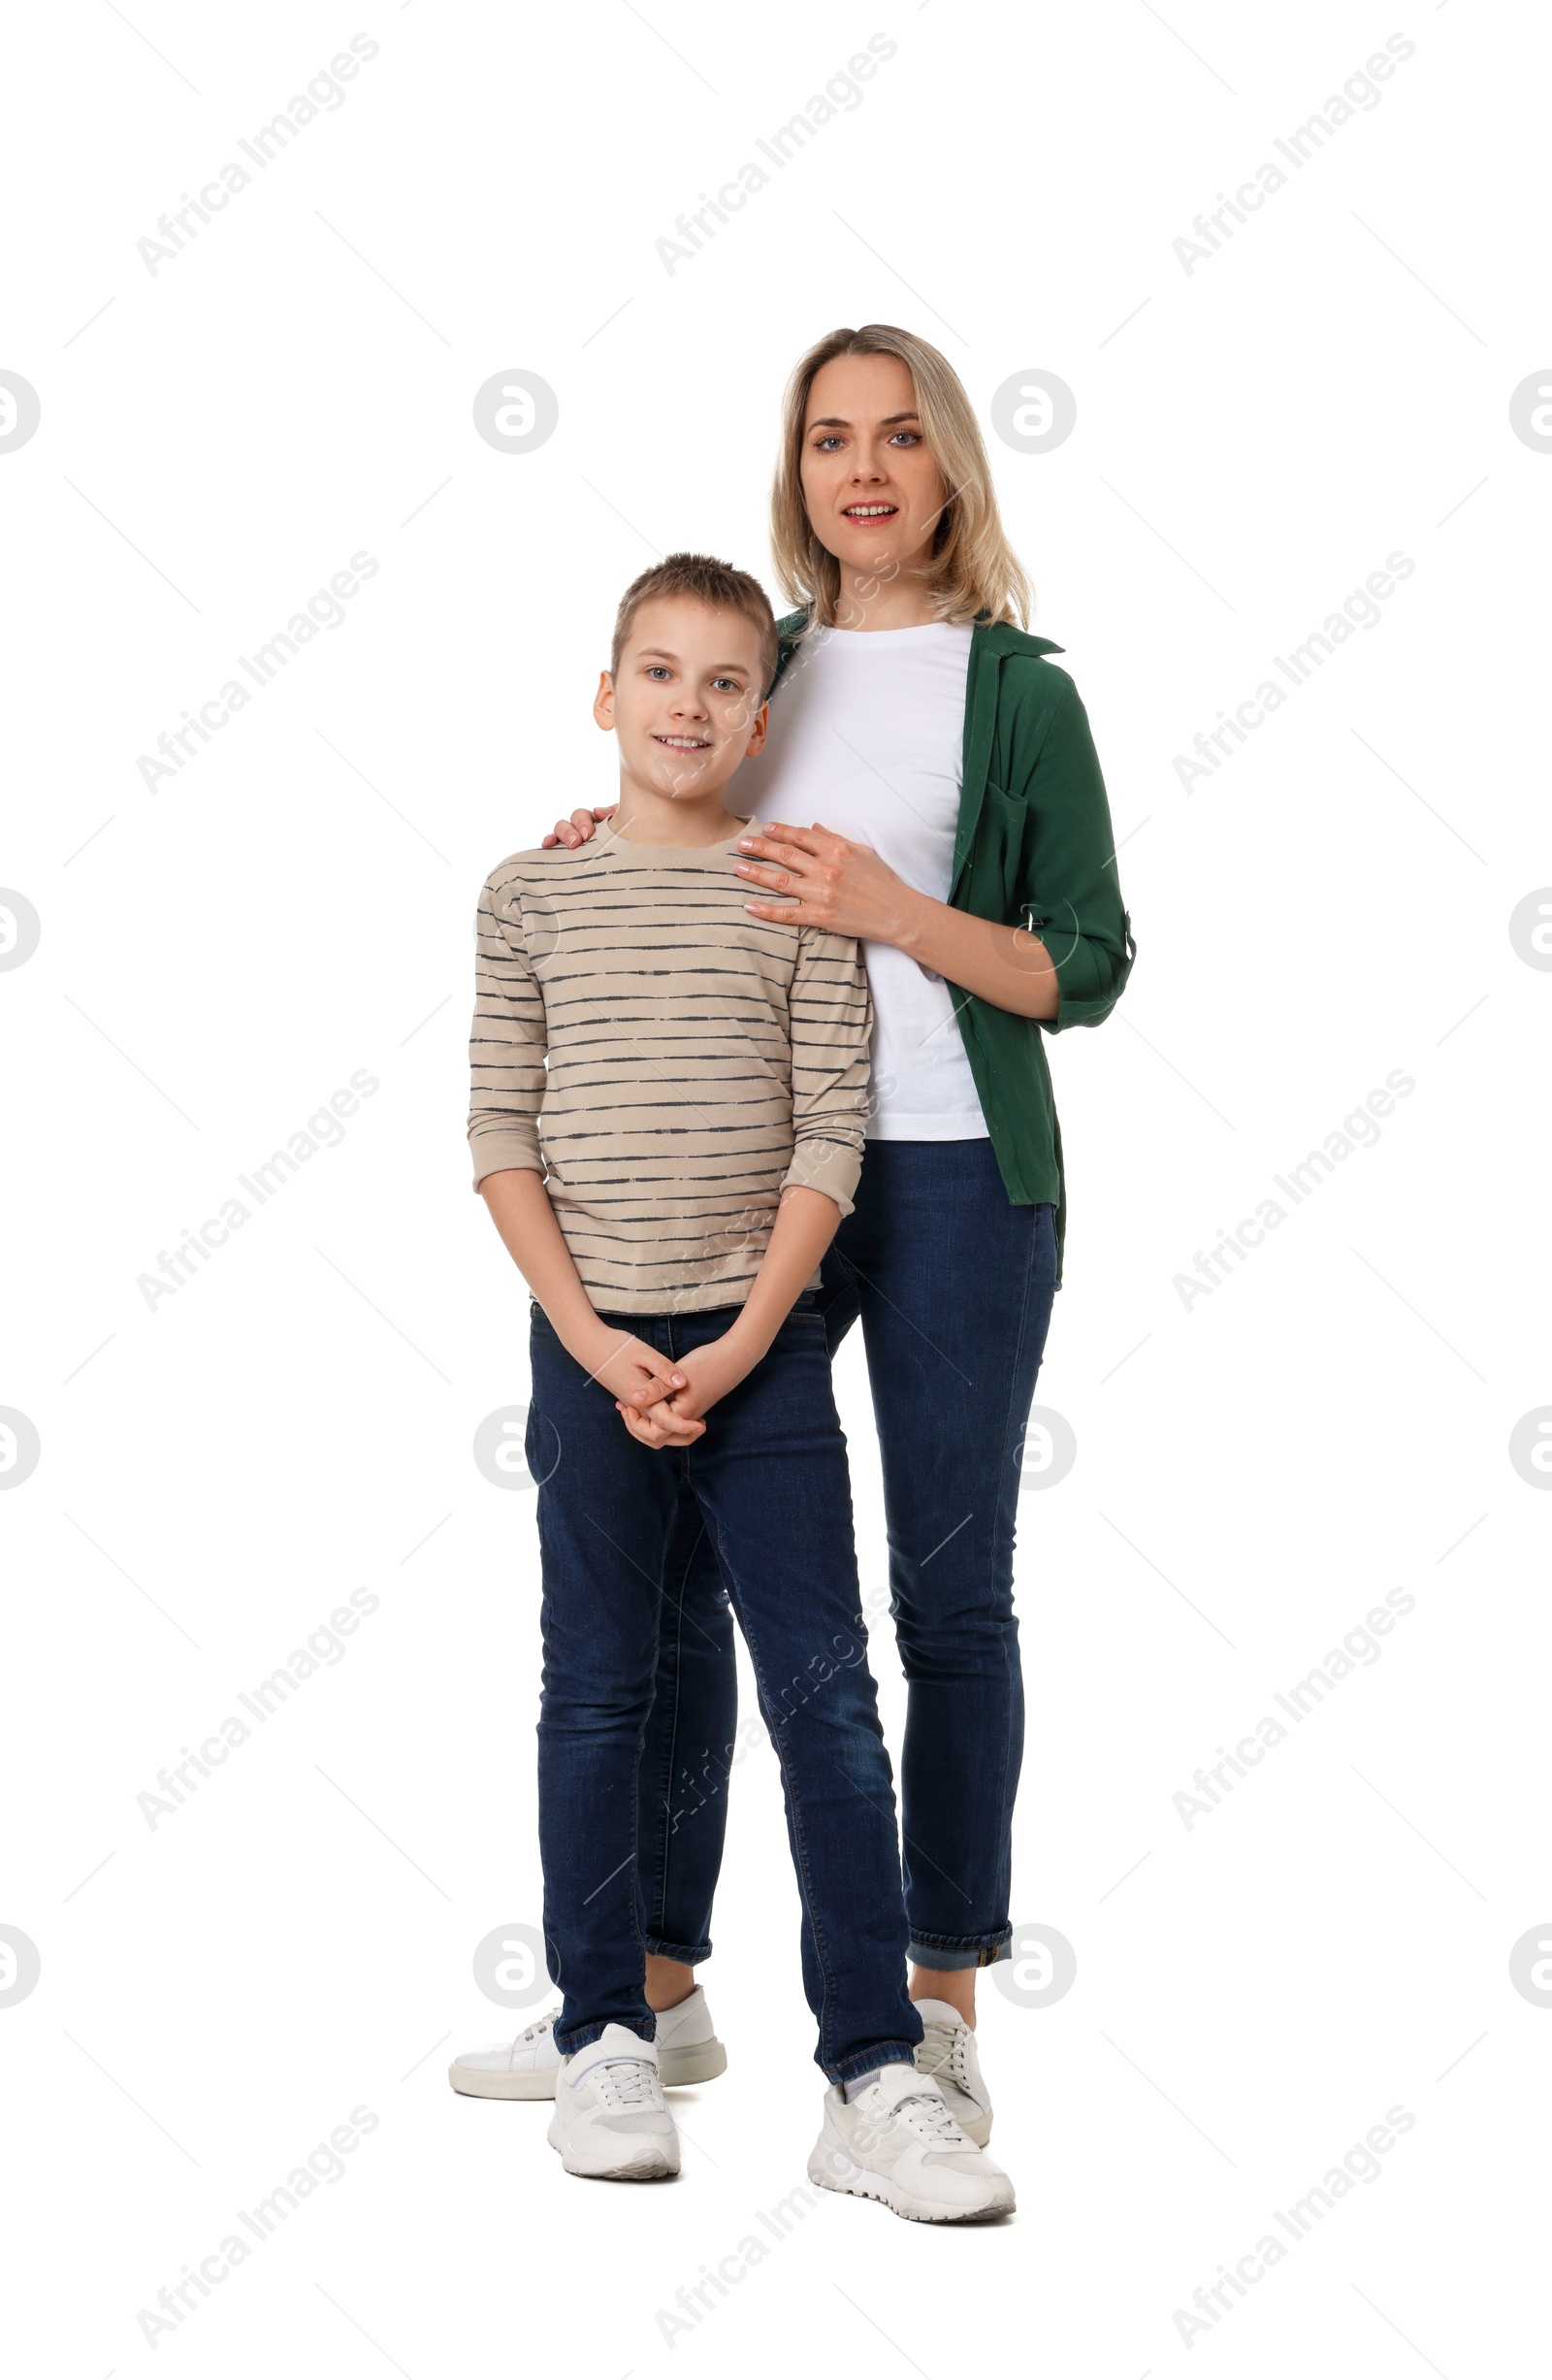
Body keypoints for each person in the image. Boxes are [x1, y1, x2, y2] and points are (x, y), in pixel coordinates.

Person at [539, 327, 1136, 2145]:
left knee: (949, 1601)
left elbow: (1085, 968)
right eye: (825, 441)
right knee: (695, 1589)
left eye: (896, 438)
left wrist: (892, 906)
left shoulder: (1019, 693)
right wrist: (611, 838)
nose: (860, 471)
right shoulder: (767, 665)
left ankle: (932, 2011)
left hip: (955, 1180)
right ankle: (649, 1995)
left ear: (952, 463)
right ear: (795, 473)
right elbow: (691, 799)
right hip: (744, 1189)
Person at [452, 551, 1015, 2221]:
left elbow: (830, 1132)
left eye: (719, 683)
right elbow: (499, 1127)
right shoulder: (528, 890)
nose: (686, 707)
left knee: (826, 1697)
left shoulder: (786, 894)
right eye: (656, 674)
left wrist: (750, 1335)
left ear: (759, 721)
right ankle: (609, 2029)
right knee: (598, 1689)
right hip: (591, 1346)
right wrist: (591, 1332)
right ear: (603, 694)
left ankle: (871, 2070)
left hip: (756, 1351)